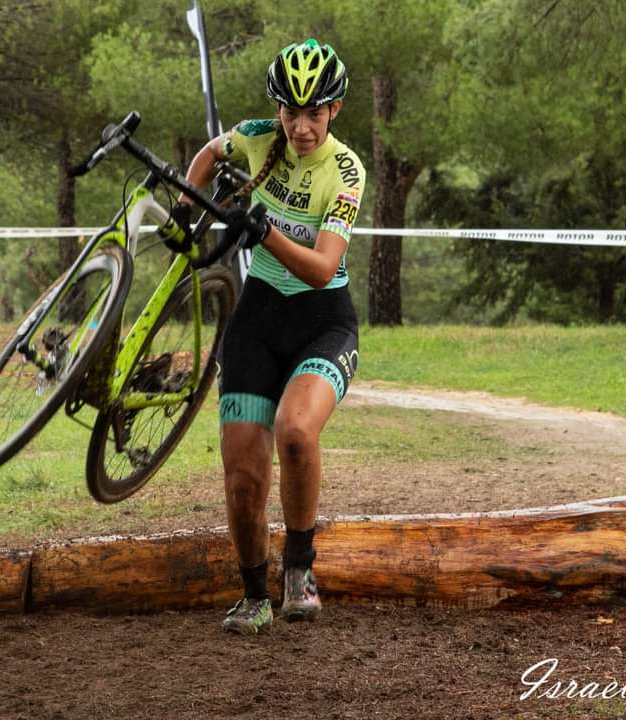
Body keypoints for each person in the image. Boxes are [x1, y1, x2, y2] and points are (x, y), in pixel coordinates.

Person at [173, 38, 366, 635]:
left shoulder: (347, 170)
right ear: (277, 108)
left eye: (315, 113)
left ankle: (300, 570)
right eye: (291, 112)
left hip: (322, 320)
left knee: (296, 432)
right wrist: (186, 204)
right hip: (257, 319)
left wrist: (263, 233)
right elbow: (208, 152)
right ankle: (253, 592)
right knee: (242, 475)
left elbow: (321, 266)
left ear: (334, 110)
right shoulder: (259, 136)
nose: (302, 127)